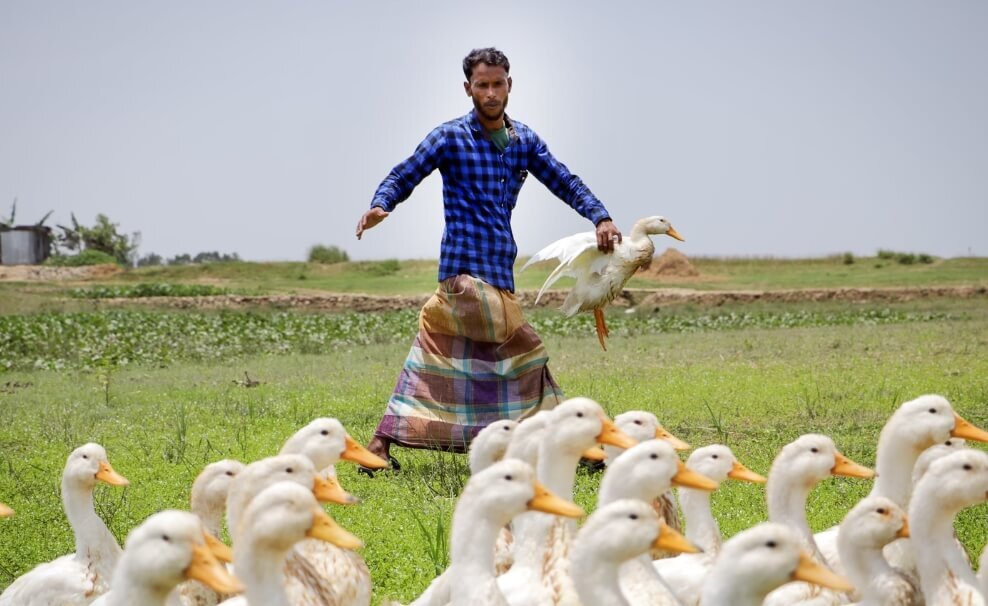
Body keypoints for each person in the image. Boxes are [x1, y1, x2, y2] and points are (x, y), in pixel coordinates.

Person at [355, 47, 621, 467]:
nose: (491, 93)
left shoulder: (524, 142)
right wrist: (381, 204)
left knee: (436, 353)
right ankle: (572, 447)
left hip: (500, 273)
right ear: (468, 89)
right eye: (482, 85)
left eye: (498, 84)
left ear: (509, 85)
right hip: (463, 273)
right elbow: (405, 173)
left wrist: (600, 216)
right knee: (527, 353)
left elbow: (565, 181)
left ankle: (380, 444)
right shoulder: (449, 138)